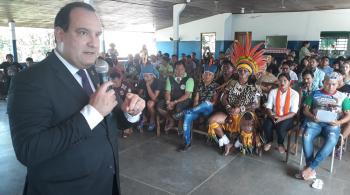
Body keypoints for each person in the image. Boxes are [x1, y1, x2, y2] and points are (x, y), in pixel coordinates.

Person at [7, 2, 145, 195]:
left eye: (97, 34)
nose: (94, 43)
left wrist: (131, 112)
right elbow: (29, 151)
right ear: (59, 34)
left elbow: (112, 122)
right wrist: (92, 113)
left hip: (106, 183)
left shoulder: (95, 73)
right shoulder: (30, 80)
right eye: (83, 32)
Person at [208, 37, 264, 156]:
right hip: (230, 111)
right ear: (237, 71)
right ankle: (227, 143)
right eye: (240, 70)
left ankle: (240, 143)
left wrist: (240, 109)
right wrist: (228, 107)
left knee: (247, 127)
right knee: (212, 120)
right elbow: (223, 97)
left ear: (250, 73)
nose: (242, 73)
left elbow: (257, 104)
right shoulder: (232, 83)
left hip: (246, 113)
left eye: (245, 71)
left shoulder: (254, 86)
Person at [299, 72, 350, 180]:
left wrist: (339, 123)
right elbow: (305, 110)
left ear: (337, 85)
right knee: (306, 136)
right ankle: (310, 168)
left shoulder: (343, 97)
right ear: (323, 82)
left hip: (332, 125)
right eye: (328, 84)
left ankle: (310, 168)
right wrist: (312, 116)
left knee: (332, 140)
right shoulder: (314, 93)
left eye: (334, 84)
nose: (330, 87)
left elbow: (348, 115)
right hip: (315, 122)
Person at [173, 65, 219, 151]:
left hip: (209, 110)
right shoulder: (200, 85)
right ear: (202, 75)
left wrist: (203, 104)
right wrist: (195, 109)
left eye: (209, 74)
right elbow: (196, 100)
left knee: (206, 103)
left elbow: (214, 102)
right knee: (188, 116)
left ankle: (183, 112)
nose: (206, 76)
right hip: (198, 109)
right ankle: (187, 143)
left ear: (213, 77)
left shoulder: (216, 86)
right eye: (205, 74)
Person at [263, 73, 299, 153]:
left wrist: (281, 118)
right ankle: (269, 141)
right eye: (280, 81)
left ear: (289, 82)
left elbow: (293, 112)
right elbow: (268, 106)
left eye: (285, 81)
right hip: (275, 115)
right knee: (266, 124)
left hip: (288, 117)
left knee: (281, 127)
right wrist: (272, 116)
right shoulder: (273, 92)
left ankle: (280, 143)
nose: (282, 83)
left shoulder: (294, 94)